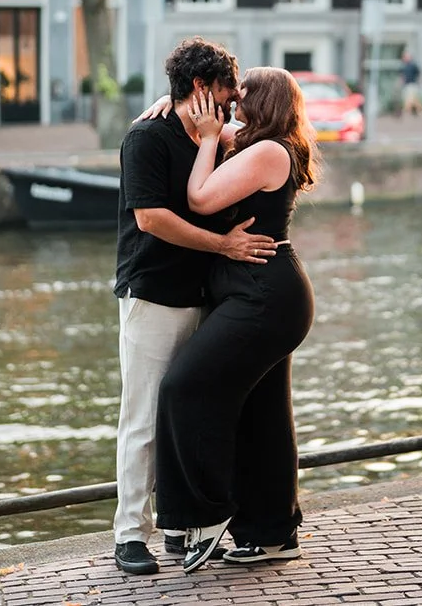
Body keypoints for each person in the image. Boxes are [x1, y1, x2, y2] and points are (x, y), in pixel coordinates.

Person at [111, 38, 278, 577]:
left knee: (188, 415)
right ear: (202, 89)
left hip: (207, 297)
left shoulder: (215, 137)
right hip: (155, 295)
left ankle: (179, 528)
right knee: (143, 419)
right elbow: (151, 219)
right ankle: (129, 535)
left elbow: (254, 136)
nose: (233, 105)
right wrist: (225, 246)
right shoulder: (146, 138)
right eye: (228, 94)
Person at [154, 67, 319, 574]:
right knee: (263, 417)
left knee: (184, 387)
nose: (232, 96)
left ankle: (204, 515)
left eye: (242, 91)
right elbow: (207, 122)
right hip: (257, 295)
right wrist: (170, 101)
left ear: (263, 100)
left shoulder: (270, 152)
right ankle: (271, 533)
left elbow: (199, 198)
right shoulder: (255, 141)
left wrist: (206, 139)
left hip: (266, 298)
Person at [399, 50, 422, 117]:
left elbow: (419, 74)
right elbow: (402, 76)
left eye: (406, 56)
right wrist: (401, 83)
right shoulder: (403, 66)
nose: (405, 58)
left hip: (412, 84)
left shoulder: (413, 65)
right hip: (406, 85)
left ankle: (407, 111)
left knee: (410, 98)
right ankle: (419, 110)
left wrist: (420, 82)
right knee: (412, 99)